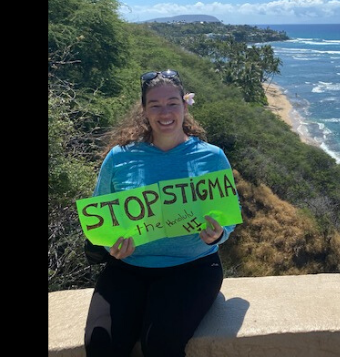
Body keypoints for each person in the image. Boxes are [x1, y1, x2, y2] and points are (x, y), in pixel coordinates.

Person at [83, 69, 239, 357]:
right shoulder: (119, 157)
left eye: (172, 103)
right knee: (101, 345)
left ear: (184, 105)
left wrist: (218, 234)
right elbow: (100, 213)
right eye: (155, 105)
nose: (164, 112)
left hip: (193, 268)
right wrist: (111, 245)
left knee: (160, 344)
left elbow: (228, 218)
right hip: (127, 268)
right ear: (144, 110)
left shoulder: (212, 156)